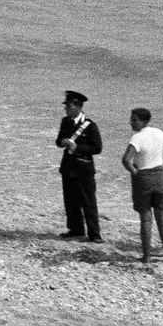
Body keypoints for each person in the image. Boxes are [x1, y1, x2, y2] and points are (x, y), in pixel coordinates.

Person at [121, 107, 163, 263]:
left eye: (134, 120)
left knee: (146, 220)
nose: (131, 122)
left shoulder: (137, 138)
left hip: (143, 179)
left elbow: (126, 160)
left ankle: (147, 255)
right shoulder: (158, 132)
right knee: (162, 220)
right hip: (160, 177)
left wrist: (134, 172)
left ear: (143, 121)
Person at [54, 90, 103, 241]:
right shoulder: (65, 121)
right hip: (68, 166)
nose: (66, 108)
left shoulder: (90, 125)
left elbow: (97, 147)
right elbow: (58, 140)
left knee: (88, 202)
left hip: (83, 168)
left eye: (68, 105)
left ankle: (94, 234)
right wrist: (62, 142)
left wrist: (78, 149)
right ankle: (76, 229)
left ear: (77, 106)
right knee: (70, 201)